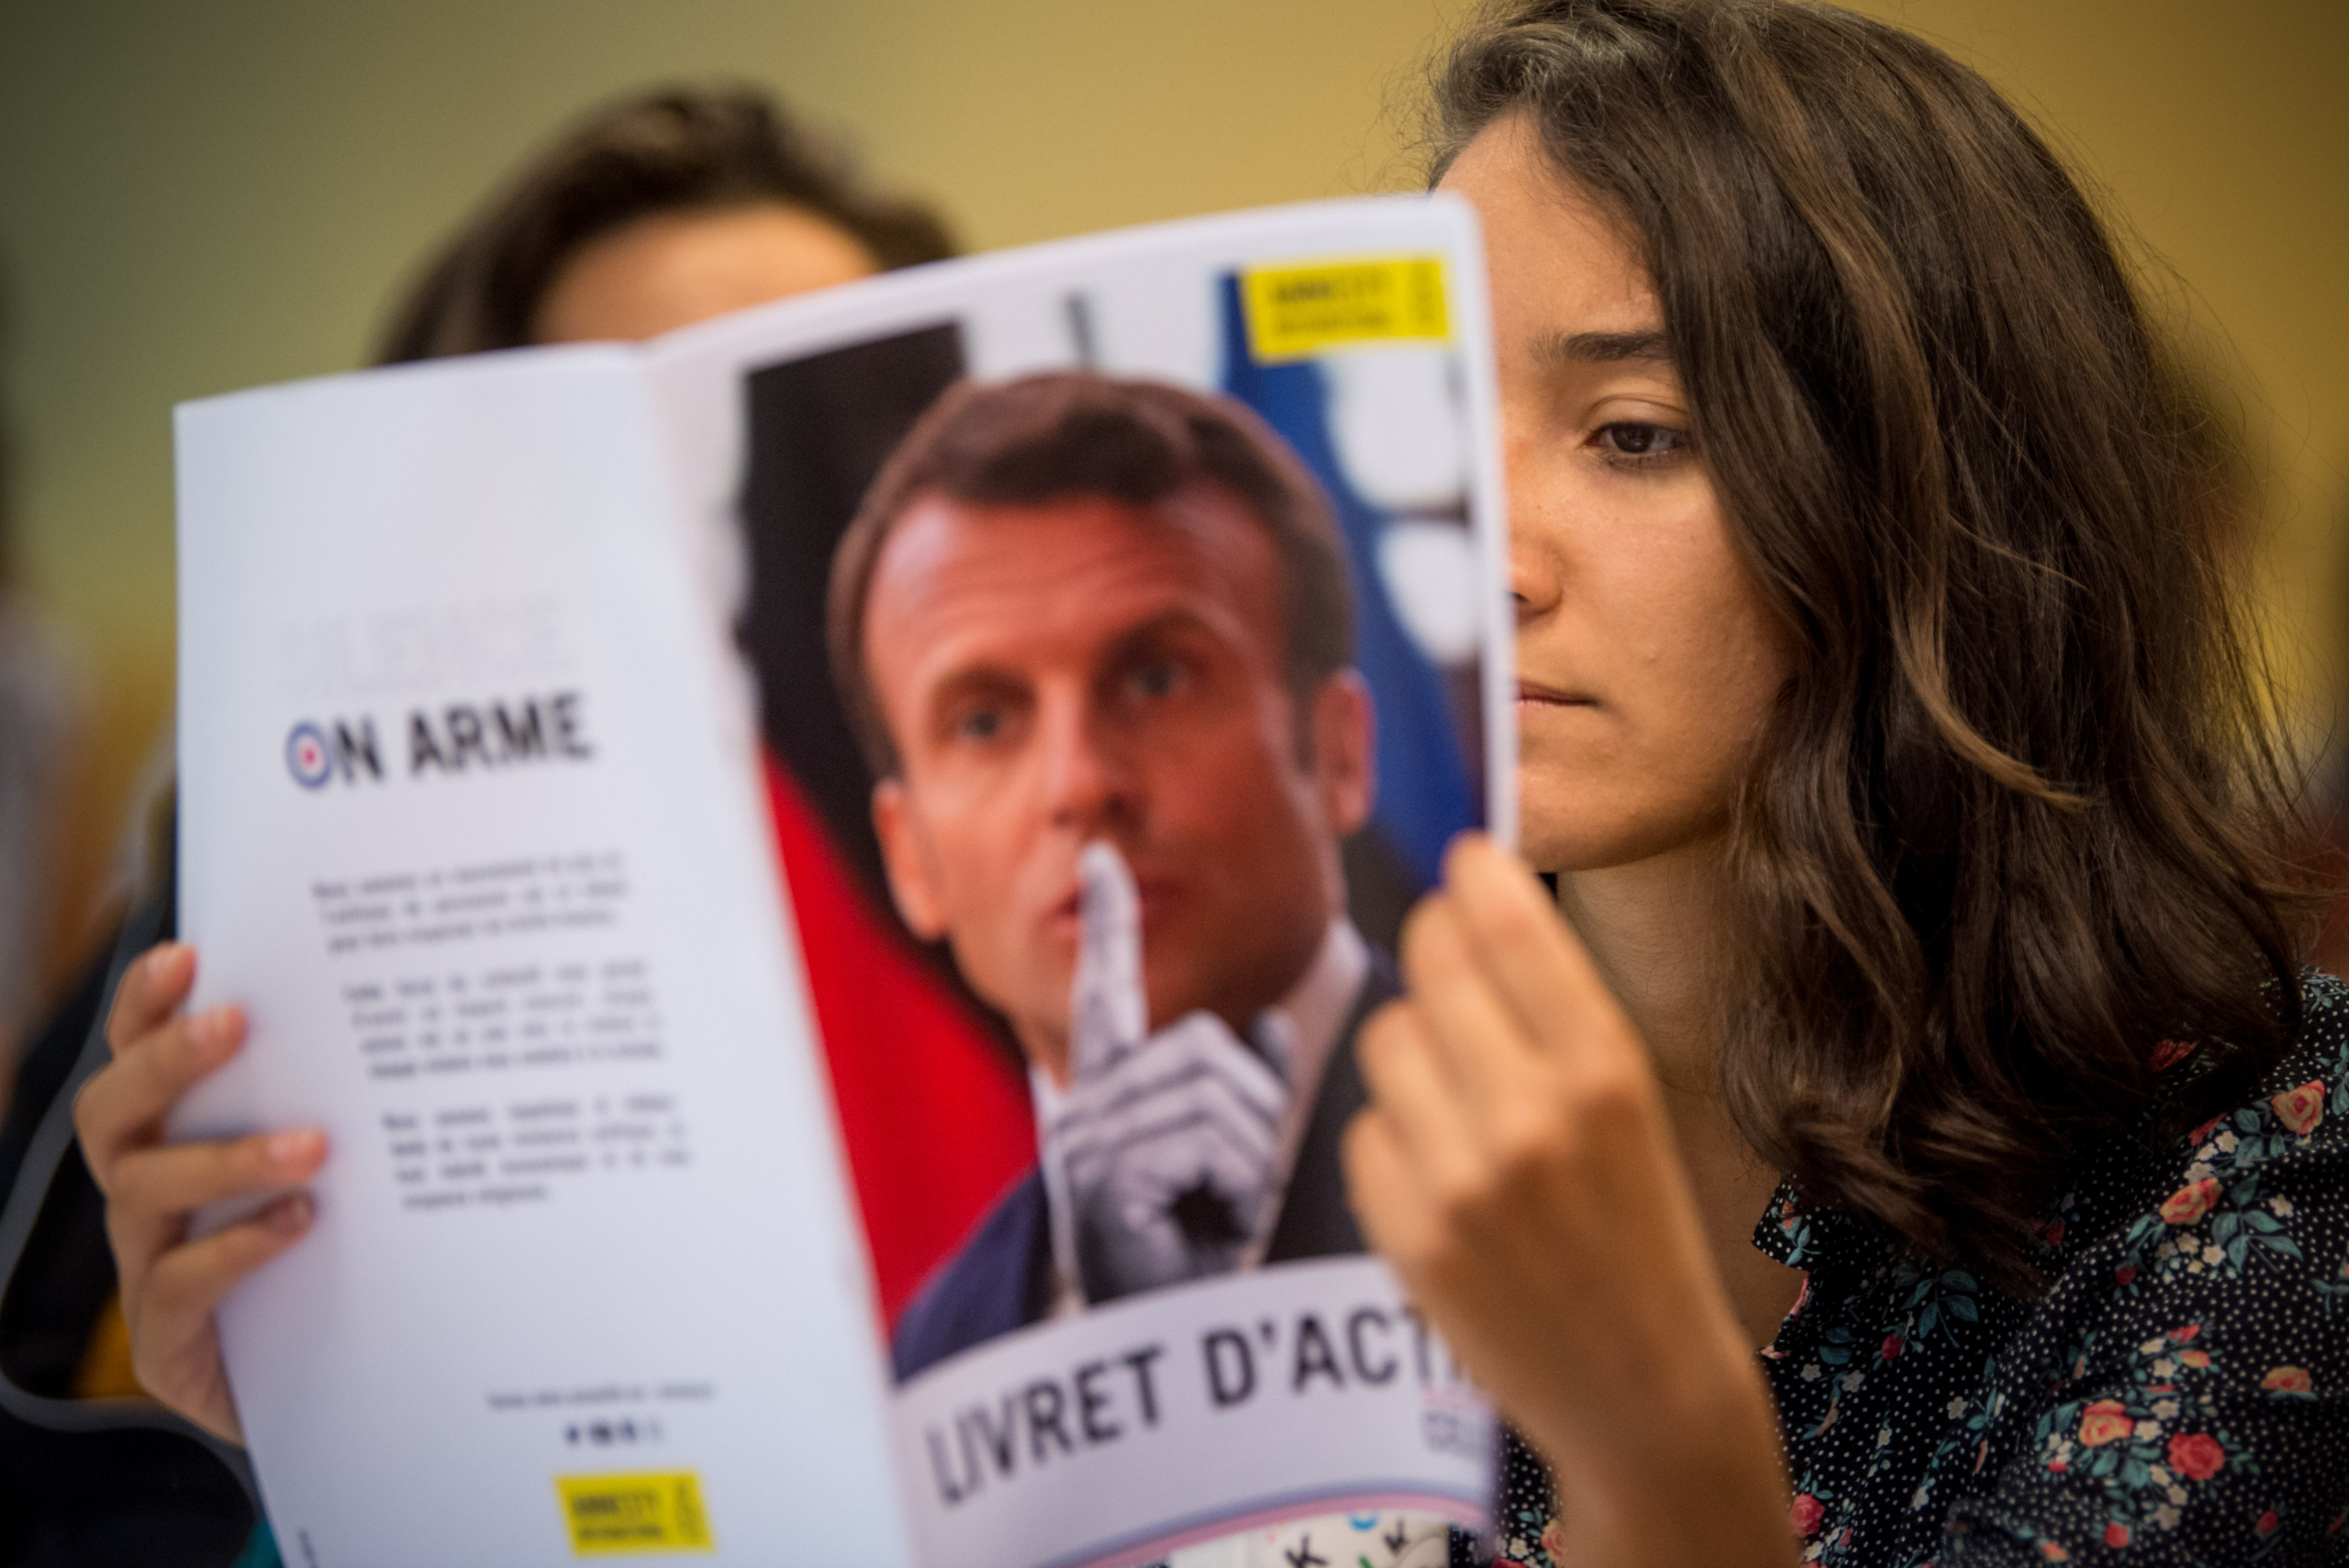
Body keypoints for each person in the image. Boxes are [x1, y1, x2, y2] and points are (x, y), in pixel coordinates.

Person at [1339, 3, 2349, 1565]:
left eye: (1633, 434)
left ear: (1928, 508)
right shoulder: (1286, 1109)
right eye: (1432, 419)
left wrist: (1654, 1452)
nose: (1481, 547)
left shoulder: (2262, 1157)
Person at [23, 83, 1008, 1566]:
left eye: (807, 431)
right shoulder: (257, 927)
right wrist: (304, 1441)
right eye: (625, 456)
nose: (728, 531)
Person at [820, 371, 1391, 1377]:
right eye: (984, 721)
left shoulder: (1585, 1158)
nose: (1079, 782)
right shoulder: (935, 1352)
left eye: (1158, 678)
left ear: (1338, 753)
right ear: (910, 857)